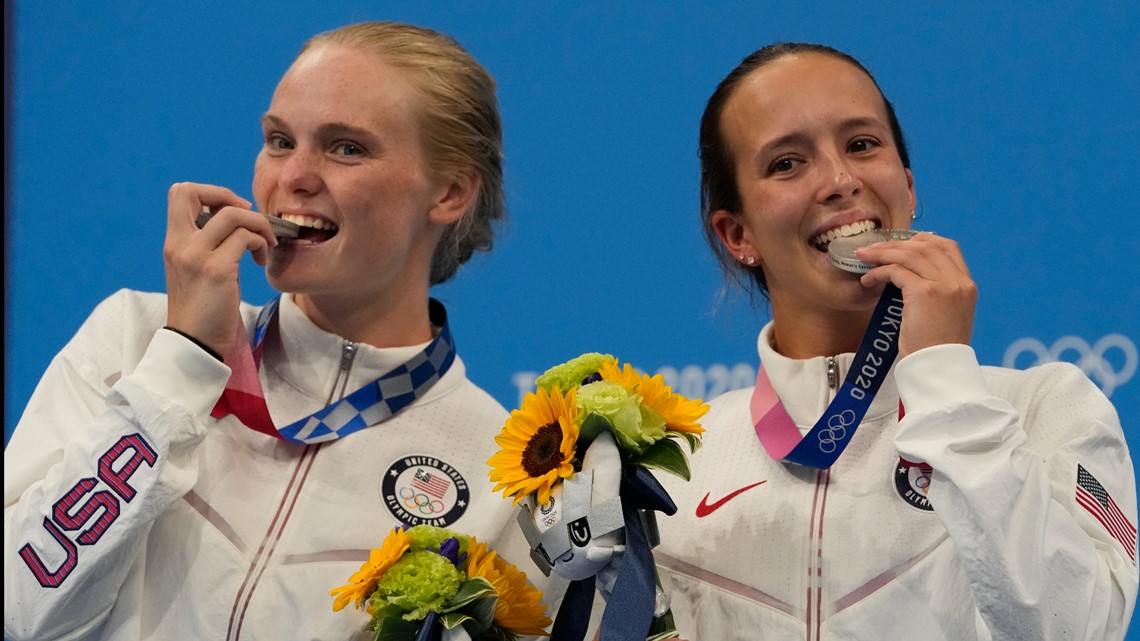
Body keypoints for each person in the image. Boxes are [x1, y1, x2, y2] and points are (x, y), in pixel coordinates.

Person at [4, 21, 543, 641]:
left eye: (347, 148)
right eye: (280, 140)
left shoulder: (502, 470)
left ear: (448, 192)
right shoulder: (134, 339)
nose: (294, 176)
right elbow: (21, 610)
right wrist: (181, 363)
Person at [652, 43, 1138, 639]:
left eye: (862, 145)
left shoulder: (1045, 408)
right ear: (737, 233)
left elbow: (1075, 628)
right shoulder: (672, 465)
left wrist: (945, 381)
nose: (839, 180)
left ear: (907, 185)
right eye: (786, 163)